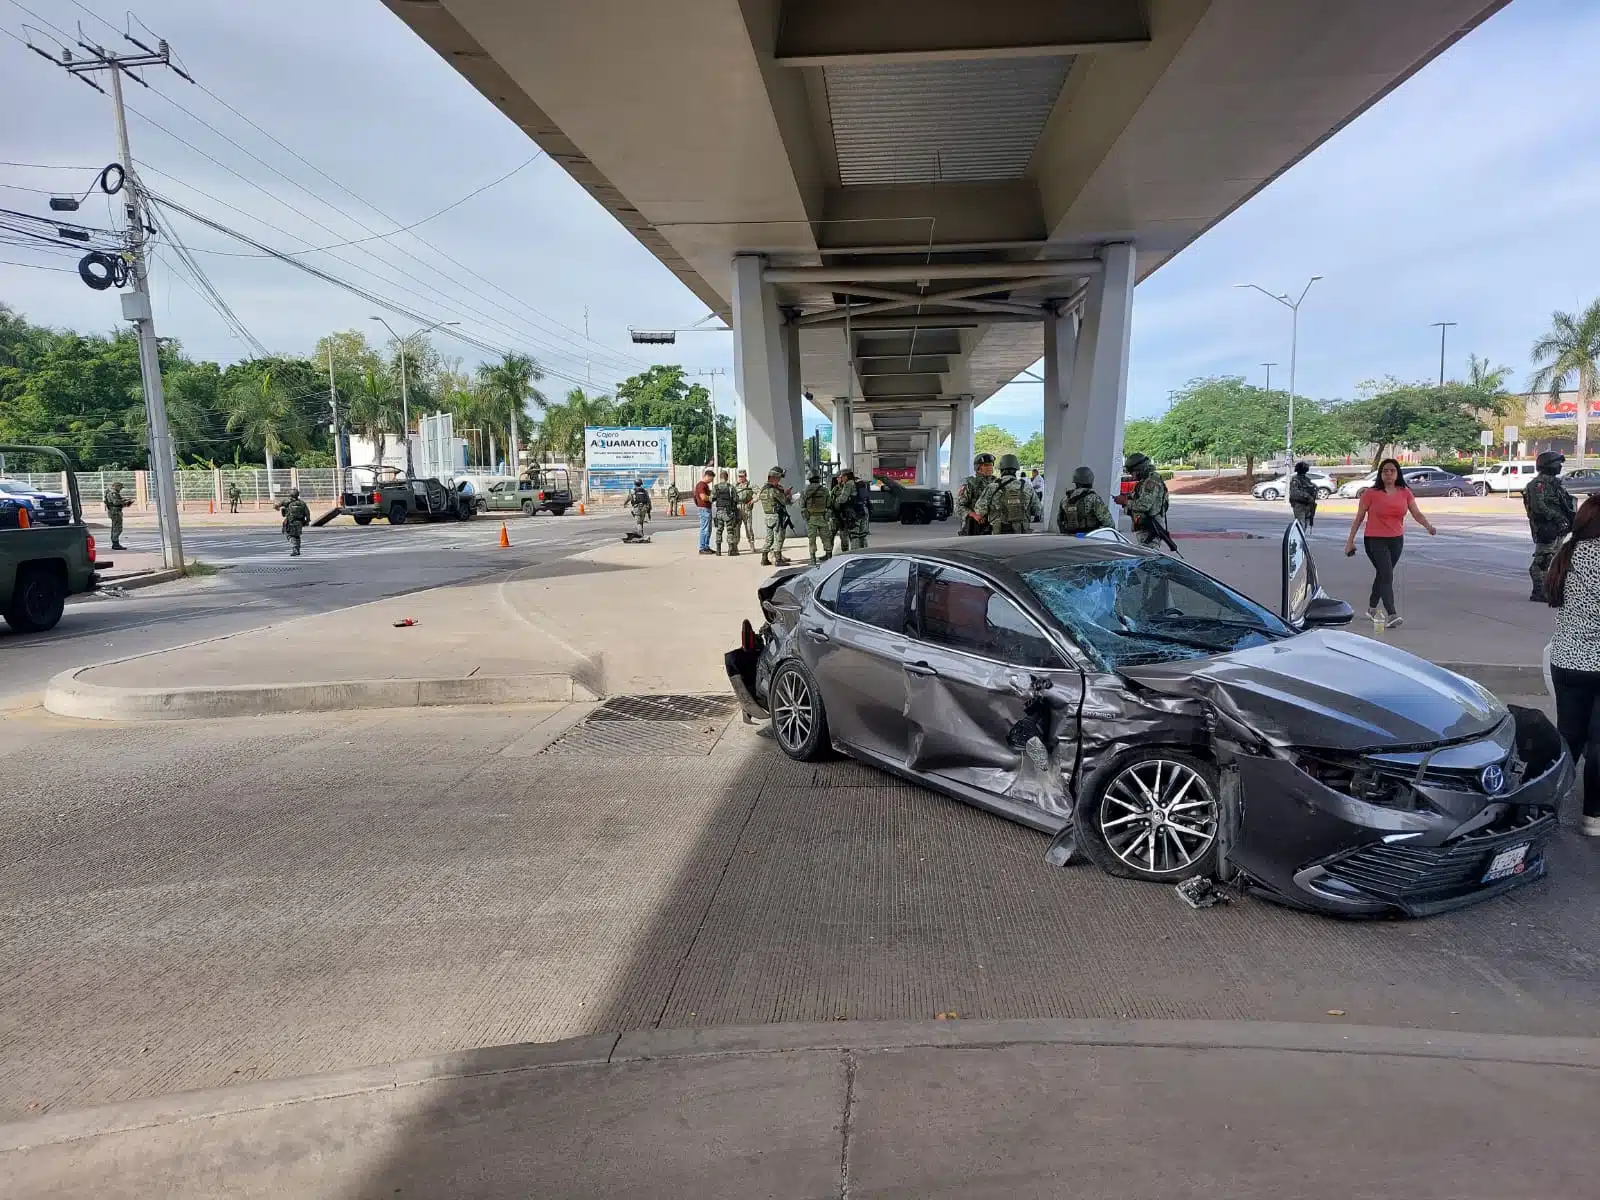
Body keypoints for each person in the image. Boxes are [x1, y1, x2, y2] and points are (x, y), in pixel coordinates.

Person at [1543, 493, 1600, 836]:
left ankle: (1548, 806)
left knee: (1569, 738)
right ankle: (1593, 817)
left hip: (1565, 660)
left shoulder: (1569, 549)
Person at [1342, 457, 1437, 628]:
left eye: (1392, 471)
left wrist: (1428, 526)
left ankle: (1371, 608)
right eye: (1385, 471)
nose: (1388, 474)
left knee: (1383, 575)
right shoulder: (1370, 494)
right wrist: (1350, 541)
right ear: (1380, 474)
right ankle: (1391, 614)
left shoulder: (1405, 492)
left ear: (1397, 473)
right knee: (1387, 574)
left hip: (1396, 539)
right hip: (1374, 539)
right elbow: (1359, 518)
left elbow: (1416, 513)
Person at [1523, 450, 1575, 603]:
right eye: (1557, 463)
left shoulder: (1555, 484)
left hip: (1559, 527)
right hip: (1547, 526)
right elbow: (1538, 506)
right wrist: (1557, 517)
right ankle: (1538, 591)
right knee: (1542, 560)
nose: (1560, 467)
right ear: (1548, 465)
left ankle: (1549, 589)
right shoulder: (1538, 485)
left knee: (1553, 557)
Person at [1116, 452, 1170, 548]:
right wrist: (1126, 499)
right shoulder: (1144, 481)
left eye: (1133, 471)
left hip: (1151, 529)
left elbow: (1144, 505)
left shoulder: (1152, 481)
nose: (1132, 475)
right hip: (1144, 528)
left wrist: (1124, 501)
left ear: (1140, 469)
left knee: (1149, 558)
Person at [976, 453, 1040, 533]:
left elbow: (979, 511)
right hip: (1022, 534)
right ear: (1016, 469)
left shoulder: (992, 487)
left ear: (1001, 469)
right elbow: (1037, 510)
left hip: (999, 533)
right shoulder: (1026, 487)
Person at [1055, 466, 1113, 535]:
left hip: (1070, 538)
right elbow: (1108, 522)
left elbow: (1059, 521)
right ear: (1090, 480)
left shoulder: (1065, 499)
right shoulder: (1094, 498)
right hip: (1089, 538)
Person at [758, 466, 795, 566]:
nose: (779, 481)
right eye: (778, 478)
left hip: (768, 516)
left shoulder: (763, 489)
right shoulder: (773, 490)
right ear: (774, 477)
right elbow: (784, 501)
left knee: (769, 539)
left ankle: (764, 558)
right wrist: (788, 495)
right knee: (779, 537)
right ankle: (778, 560)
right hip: (776, 517)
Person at [956, 452, 997, 535]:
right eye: (986, 465)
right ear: (978, 468)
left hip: (994, 527)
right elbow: (959, 507)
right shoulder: (970, 483)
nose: (989, 467)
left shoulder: (997, 482)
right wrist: (974, 515)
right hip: (974, 527)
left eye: (991, 465)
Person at [830, 467, 868, 551]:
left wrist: (836, 500)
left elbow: (843, 499)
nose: (842, 478)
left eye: (842, 476)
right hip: (863, 511)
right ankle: (865, 553)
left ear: (846, 476)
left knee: (854, 536)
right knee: (862, 536)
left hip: (854, 513)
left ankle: (855, 554)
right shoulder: (859, 481)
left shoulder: (849, 483)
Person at [800, 470, 833, 565]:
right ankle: (829, 557)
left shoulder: (805, 490)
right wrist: (826, 517)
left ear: (809, 479)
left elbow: (802, 506)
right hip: (822, 518)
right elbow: (829, 505)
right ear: (818, 479)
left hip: (811, 519)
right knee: (826, 538)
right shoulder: (825, 490)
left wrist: (806, 517)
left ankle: (813, 560)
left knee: (812, 539)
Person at [710, 468, 740, 556]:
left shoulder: (715, 487)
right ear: (727, 477)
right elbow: (736, 499)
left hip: (719, 512)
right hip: (728, 512)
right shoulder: (730, 487)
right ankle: (731, 550)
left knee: (719, 530)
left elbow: (712, 499)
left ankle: (718, 550)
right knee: (730, 530)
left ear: (720, 477)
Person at [275, 487, 311, 557]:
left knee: (288, 534)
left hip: (290, 521)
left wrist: (280, 508)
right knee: (297, 535)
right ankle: (297, 549)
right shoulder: (302, 503)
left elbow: (276, 506)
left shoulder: (286, 502)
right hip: (299, 522)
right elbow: (307, 513)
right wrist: (307, 521)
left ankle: (295, 549)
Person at [1288, 460, 1319, 529]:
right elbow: (1294, 493)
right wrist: (1307, 496)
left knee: (1305, 524)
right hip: (1299, 505)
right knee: (1300, 524)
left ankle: (1302, 537)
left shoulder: (1306, 479)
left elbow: (1313, 487)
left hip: (1308, 505)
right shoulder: (1295, 480)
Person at [103, 481, 133, 550]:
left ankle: (115, 543)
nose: (121, 489)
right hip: (115, 512)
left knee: (115, 527)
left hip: (114, 511)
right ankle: (115, 544)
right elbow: (115, 502)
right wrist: (125, 502)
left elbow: (116, 501)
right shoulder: (113, 492)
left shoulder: (111, 492)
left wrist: (124, 500)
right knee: (118, 528)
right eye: (120, 488)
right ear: (116, 486)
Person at [694, 468, 715, 555]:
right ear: (707, 476)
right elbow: (703, 497)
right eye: (711, 479)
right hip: (704, 509)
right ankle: (702, 547)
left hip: (704, 508)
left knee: (708, 529)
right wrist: (712, 498)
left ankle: (706, 546)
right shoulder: (701, 485)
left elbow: (695, 498)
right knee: (705, 529)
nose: (711, 481)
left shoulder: (702, 485)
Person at [734, 469, 757, 548]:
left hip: (746, 508)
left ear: (745, 476)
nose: (740, 478)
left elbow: (760, 493)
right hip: (737, 508)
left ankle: (751, 544)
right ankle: (735, 545)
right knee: (736, 527)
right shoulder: (735, 485)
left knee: (748, 527)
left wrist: (753, 500)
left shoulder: (750, 485)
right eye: (739, 476)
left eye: (742, 476)